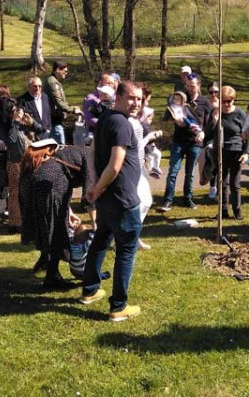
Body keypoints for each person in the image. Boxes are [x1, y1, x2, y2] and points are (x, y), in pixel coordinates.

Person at [79, 81, 143, 322]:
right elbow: (115, 165)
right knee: (126, 250)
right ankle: (118, 306)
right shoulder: (122, 123)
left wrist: (95, 186)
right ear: (118, 96)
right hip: (123, 200)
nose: (136, 103)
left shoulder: (106, 117)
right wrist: (97, 186)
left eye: (139, 99)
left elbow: (91, 151)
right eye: (131, 98)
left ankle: (90, 291)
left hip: (107, 197)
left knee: (100, 242)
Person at [19, 139, 93, 289]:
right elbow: (89, 188)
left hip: (38, 189)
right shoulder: (90, 155)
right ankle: (52, 276)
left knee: (46, 227)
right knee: (57, 230)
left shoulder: (38, 163)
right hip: (53, 187)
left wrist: (69, 211)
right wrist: (95, 221)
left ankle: (45, 261)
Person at [159, 73, 211, 211]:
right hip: (179, 141)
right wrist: (174, 119)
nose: (189, 88)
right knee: (173, 171)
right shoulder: (180, 98)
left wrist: (203, 133)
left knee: (190, 173)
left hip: (195, 143)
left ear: (199, 86)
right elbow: (166, 115)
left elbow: (208, 123)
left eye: (192, 86)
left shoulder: (205, 102)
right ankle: (168, 200)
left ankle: (188, 198)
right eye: (187, 86)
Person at [0, 97, 43, 233]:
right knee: (16, 193)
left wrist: (32, 123)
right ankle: (15, 224)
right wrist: (15, 122)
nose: (16, 112)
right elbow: (11, 140)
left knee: (34, 191)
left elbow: (41, 130)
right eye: (13, 110)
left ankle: (33, 220)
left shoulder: (22, 121)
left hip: (32, 160)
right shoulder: (2, 126)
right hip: (16, 162)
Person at [204, 86, 248, 220]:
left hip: (236, 151)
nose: (227, 104)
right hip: (221, 150)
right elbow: (208, 133)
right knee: (222, 182)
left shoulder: (240, 114)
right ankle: (223, 211)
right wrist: (215, 121)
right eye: (224, 101)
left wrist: (246, 152)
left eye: (230, 101)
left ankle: (237, 212)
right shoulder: (216, 113)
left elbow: (247, 134)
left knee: (235, 183)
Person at [130, 83, 160, 250]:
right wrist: (149, 138)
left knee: (145, 201)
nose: (146, 105)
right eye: (145, 101)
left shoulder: (138, 121)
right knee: (142, 201)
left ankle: (133, 235)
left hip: (139, 165)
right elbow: (134, 147)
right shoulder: (131, 122)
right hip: (131, 167)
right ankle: (129, 236)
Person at [45, 61, 73, 144]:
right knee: (60, 146)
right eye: (65, 71)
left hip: (55, 119)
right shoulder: (53, 82)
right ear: (57, 69)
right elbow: (58, 101)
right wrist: (72, 110)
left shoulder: (53, 81)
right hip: (54, 120)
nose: (66, 73)